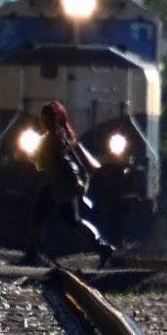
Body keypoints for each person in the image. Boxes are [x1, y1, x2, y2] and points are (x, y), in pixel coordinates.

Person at [19, 101, 116, 267]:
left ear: (52, 120)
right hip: (59, 186)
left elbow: (63, 162)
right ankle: (102, 246)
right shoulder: (56, 136)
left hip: (60, 187)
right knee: (67, 219)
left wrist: (74, 182)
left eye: (45, 118)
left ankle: (32, 255)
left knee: (46, 216)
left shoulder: (54, 139)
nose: (42, 121)